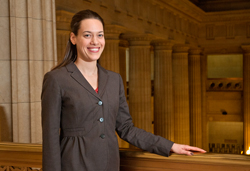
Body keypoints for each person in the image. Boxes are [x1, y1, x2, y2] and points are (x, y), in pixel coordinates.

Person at [41, 9, 206, 171]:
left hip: (109, 165)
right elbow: (50, 137)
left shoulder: (114, 80)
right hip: (73, 165)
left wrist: (170, 146)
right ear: (73, 38)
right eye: (87, 35)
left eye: (100, 35)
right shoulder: (56, 79)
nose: (95, 41)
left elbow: (126, 128)